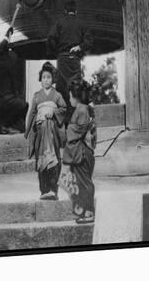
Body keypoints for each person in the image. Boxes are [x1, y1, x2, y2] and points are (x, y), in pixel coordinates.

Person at [25, 62, 67, 201]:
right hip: (39, 130)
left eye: (49, 77)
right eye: (44, 77)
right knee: (40, 158)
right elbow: (32, 113)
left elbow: (64, 109)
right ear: (40, 79)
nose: (46, 80)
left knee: (53, 157)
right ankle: (44, 190)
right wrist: (27, 129)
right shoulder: (37, 96)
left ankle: (53, 190)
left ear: (53, 79)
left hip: (53, 130)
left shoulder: (57, 95)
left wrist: (53, 112)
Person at [46, 0, 93, 115]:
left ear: (65, 11)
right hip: (75, 60)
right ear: (76, 11)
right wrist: (80, 47)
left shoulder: (59, 23)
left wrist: (57, 52)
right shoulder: (81, 24)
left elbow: (50, 39)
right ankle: (76, 117)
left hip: (62, 59)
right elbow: (89, 40)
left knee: (62, 89)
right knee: (75, 88)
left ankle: (63, 119)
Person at [60, 79, 97, 224]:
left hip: (82, 153)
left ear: (75, 96)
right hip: (83, 152)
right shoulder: (85, 109)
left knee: (85, 183)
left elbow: (76, 132)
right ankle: (85, 211)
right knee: (82, 182)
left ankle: (89, 212)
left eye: (70, 96)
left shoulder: (81, 110)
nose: (69, 99)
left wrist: (67, 130)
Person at [0, 27, 28, 134]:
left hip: (4, 97)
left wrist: (6, 36)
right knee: (23, 106)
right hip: (3, 99)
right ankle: (4, 125)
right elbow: (2, 49)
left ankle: (6, 125)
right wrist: (7, 37)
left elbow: (1, 49)